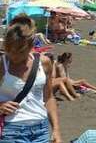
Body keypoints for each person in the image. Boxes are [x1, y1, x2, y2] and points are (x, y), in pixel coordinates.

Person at [0, 14, 62, 143]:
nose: (13, 56)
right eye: (9, 50)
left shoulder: (44, 63)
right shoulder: (2, 63)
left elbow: (49, 97)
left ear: (31, 46)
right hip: (11, 129)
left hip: (41, 129)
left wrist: (56, 129)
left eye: (20, 52)